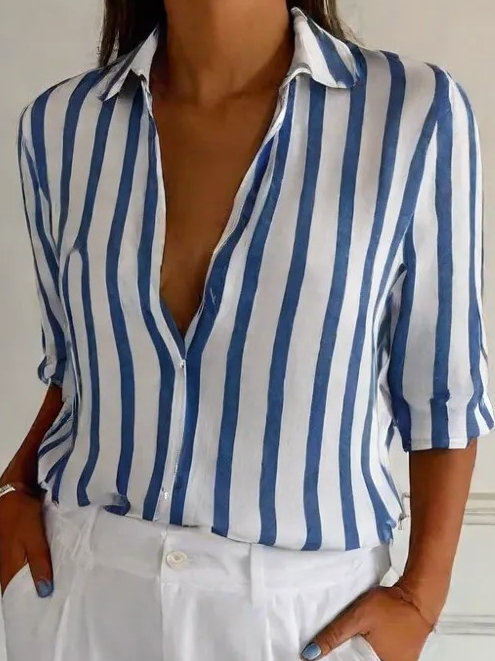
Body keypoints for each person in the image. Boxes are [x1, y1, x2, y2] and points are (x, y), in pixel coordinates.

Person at [1, 0, 493, 659]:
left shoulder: (412, 114)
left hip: (302, 616)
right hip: (81, 594)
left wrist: (419, 600)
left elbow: (444, 388)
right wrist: (14, 490)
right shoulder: (60, 125)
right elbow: (75, 367)